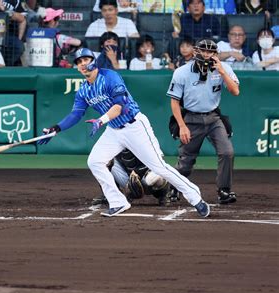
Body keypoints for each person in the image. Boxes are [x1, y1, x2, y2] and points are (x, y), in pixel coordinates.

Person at [38, 47, 211, 218]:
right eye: (79, 62)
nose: (83, 64)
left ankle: (195, 198)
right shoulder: (84, 90)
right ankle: (118, 202)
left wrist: (101, 120)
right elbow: (75, 114)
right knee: (95, 161)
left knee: (159, 166)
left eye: (86, 60)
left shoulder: (110, 76)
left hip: (134, 126)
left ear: (94, 61)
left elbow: (119, 107)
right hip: (114, 130)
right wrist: (56, 128)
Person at [167, 39, 240, 205]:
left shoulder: (223, 68)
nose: (207, 54)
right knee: (186, 160)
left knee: (227, 152)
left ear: (215, 54)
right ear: (195, 52)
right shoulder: (182, 72)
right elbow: (174, 102)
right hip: (191, 118)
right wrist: (182, 125)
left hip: (213, 117)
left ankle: (224, 190)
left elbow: (235, 91)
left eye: (211, 52)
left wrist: (222, 72)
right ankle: (175, 186)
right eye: (203, 51)